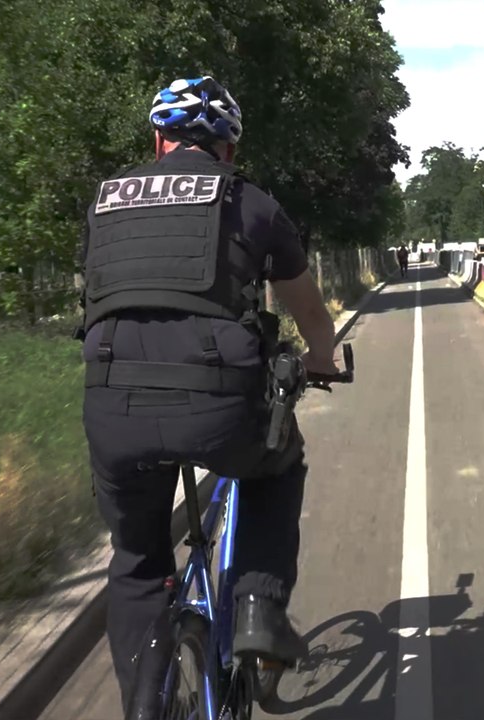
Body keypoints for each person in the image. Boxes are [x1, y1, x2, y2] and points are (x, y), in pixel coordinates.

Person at [76, 76, 340, 712]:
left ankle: (150, 699)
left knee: (137, 561)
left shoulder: (103, 203)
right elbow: (307, 310)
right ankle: (256, 607)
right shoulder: (251, 203)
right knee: (278, 465)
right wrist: (323, 358)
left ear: (159, 139)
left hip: (113, 405)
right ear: (227, 148)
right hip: (219, 407)